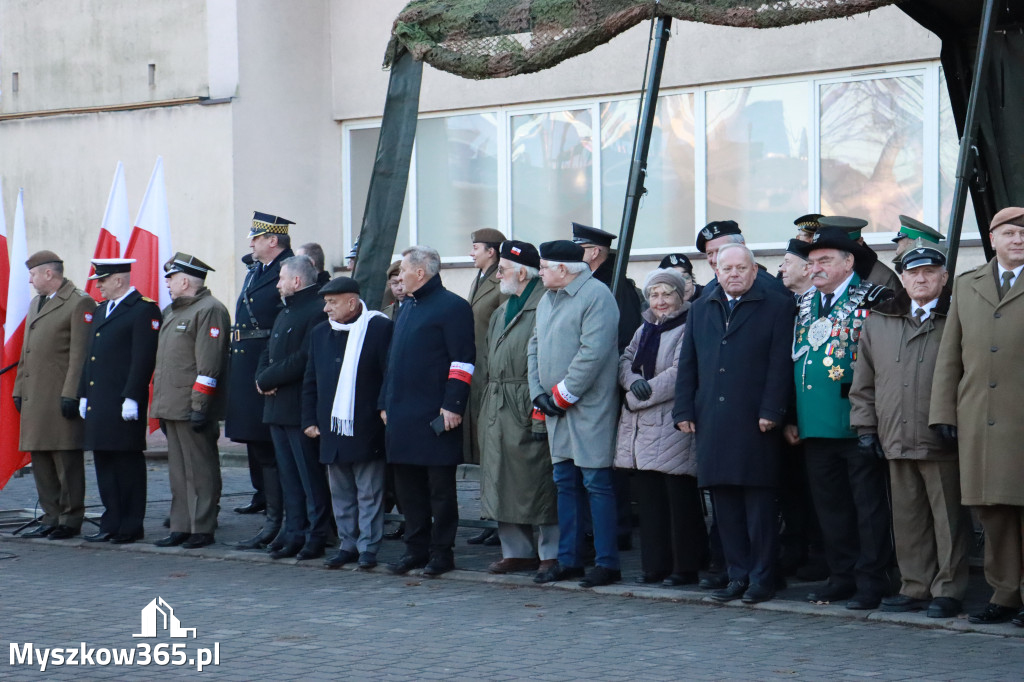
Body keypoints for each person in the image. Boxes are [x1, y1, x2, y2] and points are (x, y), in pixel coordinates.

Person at [849, 245, 971, 618]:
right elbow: (864, 382)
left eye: (930, 272)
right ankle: (915, 585)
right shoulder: (880, 319)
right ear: (902, 277)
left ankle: (949, 589)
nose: (921, 279)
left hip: (942, 436)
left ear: (944, 277)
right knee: (908, 518)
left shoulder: (958, 317)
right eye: (914, 273)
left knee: (949, 519)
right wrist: (865, 427)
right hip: (895, 434)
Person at [674, 244, 794, 604]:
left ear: (755, 271)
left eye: (742, 268)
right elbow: (689, 363)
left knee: (758, 507)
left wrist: (773, 410)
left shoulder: (777, 305)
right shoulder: (700, 308)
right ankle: (736, 574)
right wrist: (683, 411)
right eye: (727, 269)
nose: (734, 274)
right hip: (712, 419)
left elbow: (780, 364)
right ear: (717, 272)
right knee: (723, 505)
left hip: (755, 421)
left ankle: (762, 578)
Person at [786, 225, 895, 610]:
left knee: (867, 508)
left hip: (856, 421)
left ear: (848, 262)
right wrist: (790, 416)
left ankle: (872, 580)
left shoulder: (875, 297)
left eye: (824, 260)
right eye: (812, 261)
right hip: (814, 422)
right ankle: (842, 575)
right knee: (830, 509)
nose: (815, 268)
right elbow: (794, 361)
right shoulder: (804, 303)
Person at [931, 206, 1024, 627]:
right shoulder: (969, 286)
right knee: (993, 511)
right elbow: (950, 355)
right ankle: (1003, 595)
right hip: (980, 421)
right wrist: (942, 412)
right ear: (993, 238)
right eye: (1009, 233)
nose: (1018, 240)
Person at [528, 240, 621, 588]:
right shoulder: (547, 298)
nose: (540, 273)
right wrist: (538, 392)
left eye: (544, 267)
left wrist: (562, 395)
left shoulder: (597, 296)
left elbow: (593, 352)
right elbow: (534, 345)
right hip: (555, 407)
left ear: (564, 269)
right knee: (564, 483)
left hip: (589, 407)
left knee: (596, 483)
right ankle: (569, 560)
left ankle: (607, 562)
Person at [381, 245, 475, 577]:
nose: (399, 276)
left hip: (436, 414)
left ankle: (441, 552)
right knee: (408, 489)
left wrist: (453, 404)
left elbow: (462, 362)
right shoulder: (405, 307)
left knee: (440, 490)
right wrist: (383, 402)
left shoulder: (453, 307)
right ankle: (414, 549)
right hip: (401, 414)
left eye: (403, 270)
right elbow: (391, 361)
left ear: (420, 273)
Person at [616, 268, 707, 586]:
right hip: (642, 429)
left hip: (671, 425)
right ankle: (654, 566)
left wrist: (637, 397)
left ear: (681, 296)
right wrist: (632, 381)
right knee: (650, 502)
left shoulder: (689, 326)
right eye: (654, 294)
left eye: (667, 293)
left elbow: (680, 372)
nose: (660, 300)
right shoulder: (646, 327)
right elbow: (625, 360)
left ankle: (684, 567)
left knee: (677, 501)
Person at [478, 240, 558, 578]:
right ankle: (516, 551)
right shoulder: (502, 309)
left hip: (527, 401)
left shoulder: (545, 304)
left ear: (522, 272)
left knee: (538, 480)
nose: (497, 276)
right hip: (497, 403)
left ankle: (551, 552)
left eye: (503, 270)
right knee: (500, 477)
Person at [302, 277, 393, 570]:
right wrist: (309, 419)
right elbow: (310, 380)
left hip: (366, 424)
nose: (327, 309)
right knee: (340, 491)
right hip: (331, 425)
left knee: (369, 491)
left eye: (333, 302)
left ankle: (368, 546)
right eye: (326, 302)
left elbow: (388, 375)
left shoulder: (378, 328)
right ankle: (348, 544)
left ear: (351, 302)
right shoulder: (320, 333)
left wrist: (382, 409)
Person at [150, 253, 231, 550]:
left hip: (191, 405)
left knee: (200, 469)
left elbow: (208, 366)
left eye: (170, 278)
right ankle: (182, 525)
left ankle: (203, 526)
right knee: (179, 471)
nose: (168, 284)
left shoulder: (210, 310)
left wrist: (200, 406)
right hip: (172, 403)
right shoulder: (173, 311)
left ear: (185, 280)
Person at [12, 251, 95, 540]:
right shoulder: (37, 302)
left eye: (33, 274)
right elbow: (27, 351)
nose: (30, 280)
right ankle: (50, 515)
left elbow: (80, 354)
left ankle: (70, 518)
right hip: (36, 395)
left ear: (49, 274)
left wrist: (72, 392)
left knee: (65, 459)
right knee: (41, 458)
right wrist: (19, 388)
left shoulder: (78, 302)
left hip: (60, 394)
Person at [77, 258, 161, 544]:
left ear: (118, 280)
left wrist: (132, 397)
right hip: (100, 400)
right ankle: (111, 521)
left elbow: (142, 360)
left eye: (102, 280)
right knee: (104, 462)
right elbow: (91, 357)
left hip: (124, 402)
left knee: (127, 464)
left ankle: (130, 525)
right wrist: (83, 393)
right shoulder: (102, 310)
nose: (98, 285)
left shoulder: (143, 310)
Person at [255, 256, 331, 560]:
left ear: (296, 281)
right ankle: (294, 531)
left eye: (281, 279)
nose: (277, 284)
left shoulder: (315, 310)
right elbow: (268, 350)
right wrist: (261, 378)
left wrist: (268, 377)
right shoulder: (286, 310)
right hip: (277, 406)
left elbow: (303, 358)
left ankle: (316, 535)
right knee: (289, 477)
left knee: (308, 476)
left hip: (299, 406)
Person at [230, 211, 294, 549]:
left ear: (273, 240)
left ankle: (280, 521)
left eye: (256, 238)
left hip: (269, 365)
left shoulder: (289, 269)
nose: (252, 243)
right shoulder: (260, 271)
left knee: (275, 451)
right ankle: (273, 518)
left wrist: (271, 369)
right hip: (249, 363)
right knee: (261, 447)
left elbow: (288, 324)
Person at [464, 228, 506, 548]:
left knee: (493, 451)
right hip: (476, 376)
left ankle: (498, 520)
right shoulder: (479, 279)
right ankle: (488, 517)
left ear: (491, 251)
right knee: (482, 453)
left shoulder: (500, 282)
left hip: (492, 377)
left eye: (475, 247)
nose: (471, 253)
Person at [818, 215, 902, 292]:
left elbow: (899, 307)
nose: (832, 254)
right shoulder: (814, 270)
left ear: (860, 242)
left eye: (842, 247)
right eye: (827, 248)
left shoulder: (883, 277)